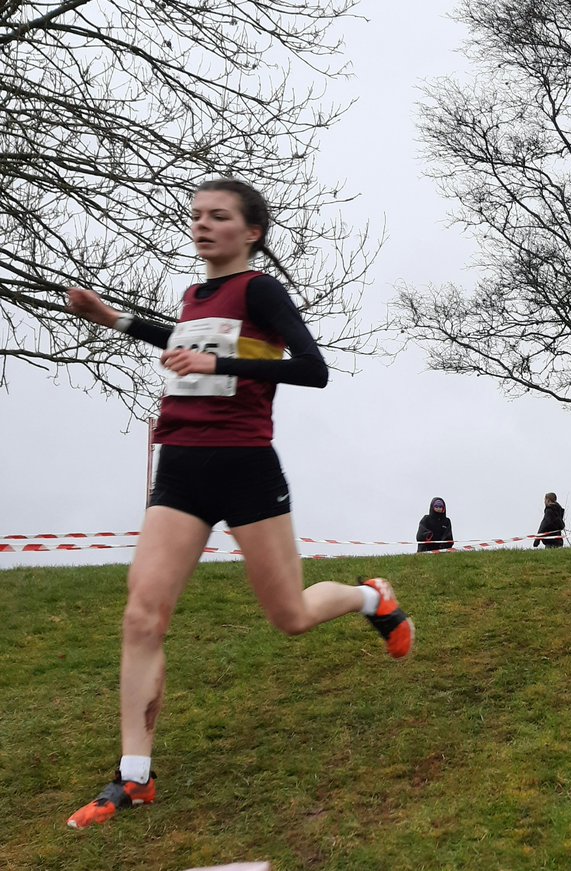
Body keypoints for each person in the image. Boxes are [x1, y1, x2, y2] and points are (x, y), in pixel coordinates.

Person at [61, 178, 415, 830]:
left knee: (292, 615)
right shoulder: (196, 297)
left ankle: (372, 597)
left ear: (251, 231)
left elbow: (312, 367)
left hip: (246, 465)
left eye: (218, 216)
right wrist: (113, 319)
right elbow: (185, 346)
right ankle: (134, 776)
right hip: (181, 466)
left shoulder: (261, 290)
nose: (202, 225)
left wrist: (221, 368)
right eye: (196, 215)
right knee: (142, 615)